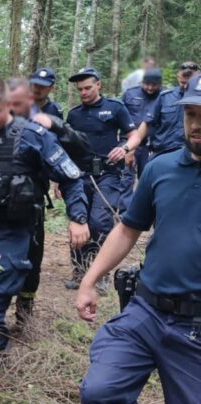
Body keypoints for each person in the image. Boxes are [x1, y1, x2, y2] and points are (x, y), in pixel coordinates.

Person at [76, 73, 201, 404]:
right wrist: (90, 279)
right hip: (146, 310)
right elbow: (128, 228)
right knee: (101, 393)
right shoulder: (162, 168)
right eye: (191, 114)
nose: (197, 124)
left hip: (196, 329)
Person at [0, 76, 89, 396]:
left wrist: (77, 218)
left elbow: (70, 177)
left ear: (7, 107)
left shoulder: (33, 137)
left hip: (12, 232)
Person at [6, 77, 92, 326]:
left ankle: (24, 312)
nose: (12, 110)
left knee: (30, 266)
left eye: (17, 104)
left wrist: (78, 217)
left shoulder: (40, 130)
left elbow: (72, 169)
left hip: (28, 208)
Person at [64, 67, 142, 292]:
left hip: (108, 174)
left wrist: (125, 147)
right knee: (79, 221)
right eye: (80, 90)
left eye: (88, 88)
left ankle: (101, 272)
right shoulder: (75, 114)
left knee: (99, 222)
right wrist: (60, 179)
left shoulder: (115, 108)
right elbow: (68, 147)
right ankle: (79, 271)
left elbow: (134, 135)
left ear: (99, 85)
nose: (84, 93)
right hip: (79, 176)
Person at [131, 61, 200, 160]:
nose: (186, 79)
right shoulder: (165, 97)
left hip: (190, 155)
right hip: (162, 153)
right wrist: (132, 149)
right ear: (178, 76)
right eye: (184, 76)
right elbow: (147, 123)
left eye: (190, 76)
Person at [121, 68, 163, 176]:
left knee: (149, 179)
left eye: (154, 85)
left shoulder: (165, 96)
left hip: (154, 147)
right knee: (126, 178)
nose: (150, 88)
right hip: (129, 143)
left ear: (160, 84)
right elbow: (119, 118)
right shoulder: (130, 94)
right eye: (147, 84)